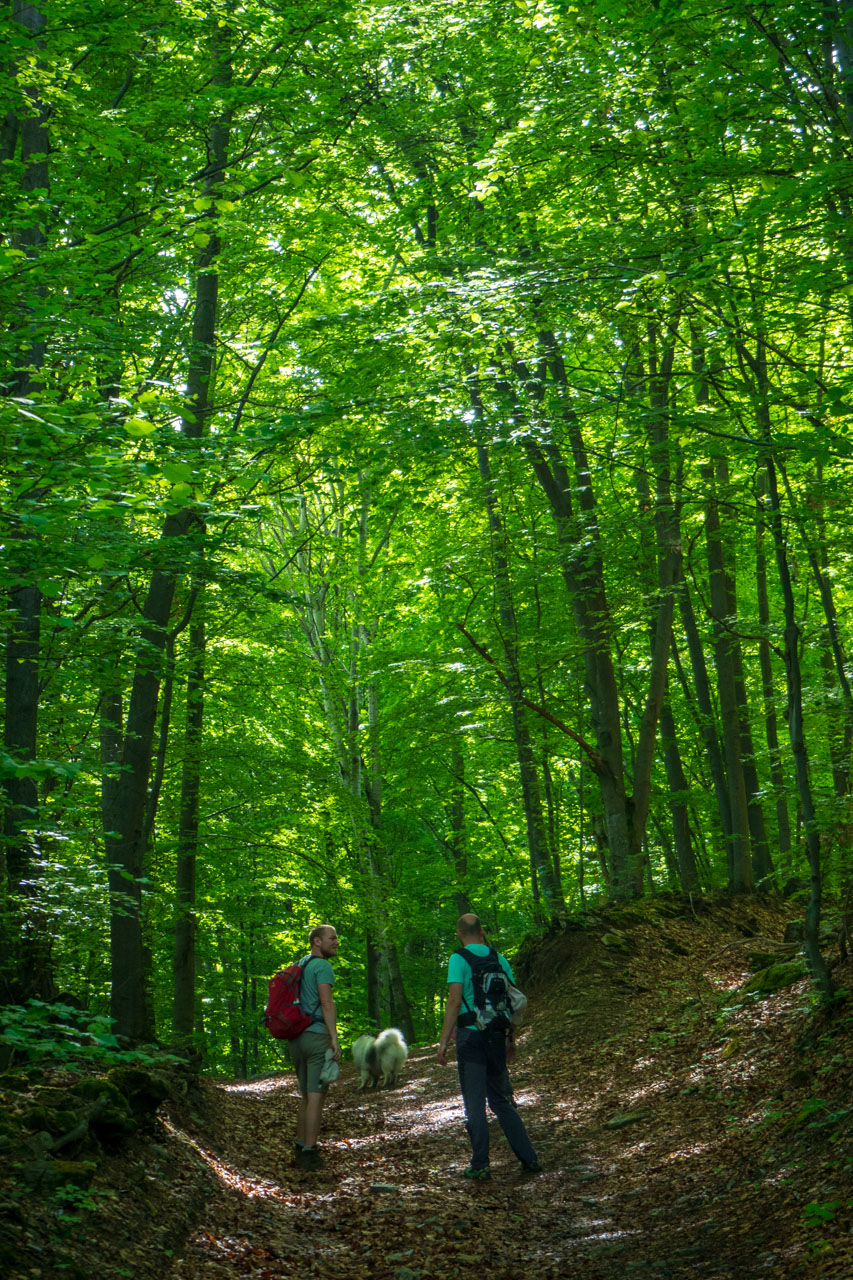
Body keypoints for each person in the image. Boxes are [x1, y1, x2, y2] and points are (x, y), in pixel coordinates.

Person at [436, 913, 541, 1180]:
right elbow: (513, 1000)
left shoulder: (459, 959)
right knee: (502, 1101)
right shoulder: (499, 958)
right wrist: (509, 1037)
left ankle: (480, 1163)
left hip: (471, 1038)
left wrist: (444, 1039)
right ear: (481, 931)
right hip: (496, 1036)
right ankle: (529, 1158)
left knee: (474, 1103)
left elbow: (454, 1000)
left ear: (459, 933)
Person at [290, 923, 341, 1170]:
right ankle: (310, 1152)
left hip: (297, 1038)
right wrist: (334, 1038)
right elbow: (327, 1003)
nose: (336, 942)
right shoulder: (322, 966)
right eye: (332, 938)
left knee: (305, 1097)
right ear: (317, 942)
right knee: (316, 1097)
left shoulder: (302, 963)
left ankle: (300, 1144)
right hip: (316, 1036)